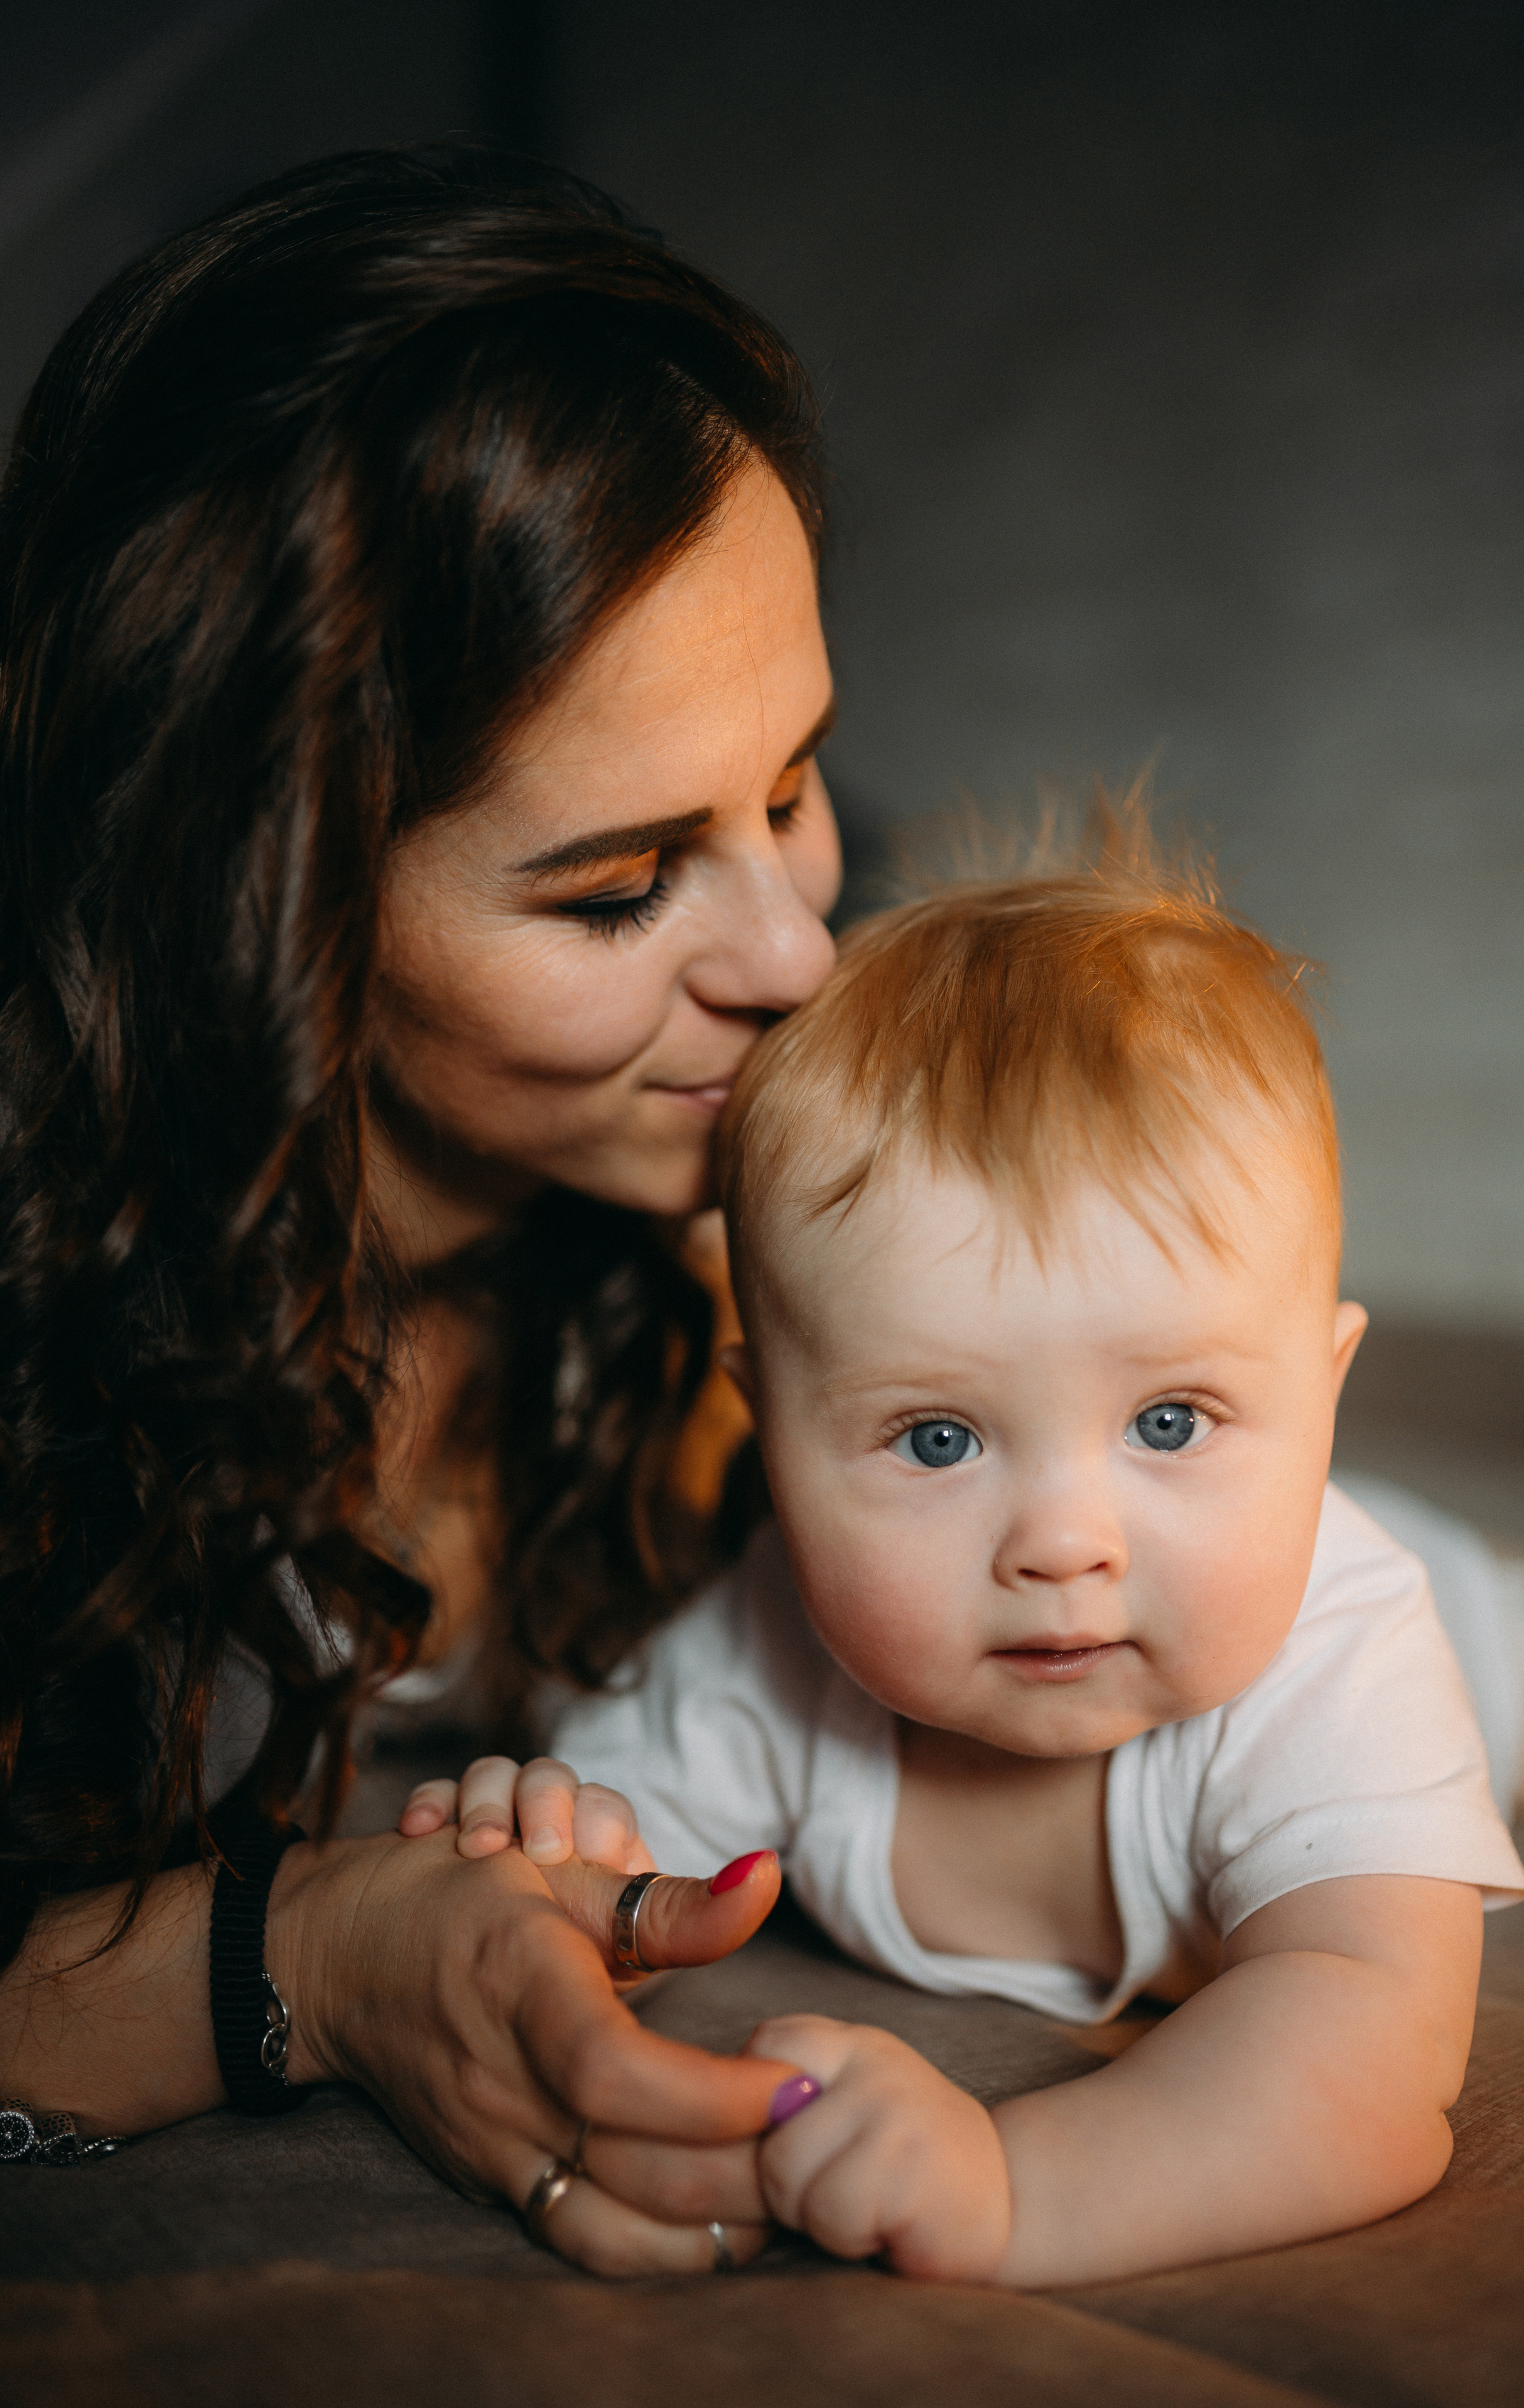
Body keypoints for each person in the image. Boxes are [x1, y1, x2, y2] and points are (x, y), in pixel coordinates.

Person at [0, 142, 851, 2272]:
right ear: (257, 908)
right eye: (620, 885)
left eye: (794, 785)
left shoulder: (718, 1204)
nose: (800, 960)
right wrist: (306, 1959)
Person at [420, 830, 1524, 2286]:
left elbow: (1366, 2047)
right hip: (1223, 1546)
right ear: (771, 1436)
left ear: (1324, 1388)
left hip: (1465, 1640)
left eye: (1168, 1417)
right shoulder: (764, 1647)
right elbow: (614, 1855)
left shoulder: (1351, 1652)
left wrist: (1014, 2185)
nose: (1061, 1543)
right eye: (935, 1441)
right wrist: (546, 1863)